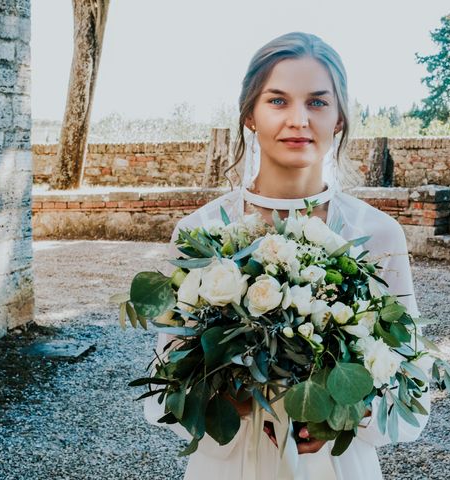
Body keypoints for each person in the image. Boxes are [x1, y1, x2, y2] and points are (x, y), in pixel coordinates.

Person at [143, 31, 431, 480]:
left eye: (317, 102)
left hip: (333, 467)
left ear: (339, 119)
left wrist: (346, 413)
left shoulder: (376, 234)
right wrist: (223, 400)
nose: (298, 119)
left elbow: (414, 384)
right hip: (230, 464)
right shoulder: (198, 233)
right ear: (250, 115)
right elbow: (168, 383)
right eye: (277, 101)